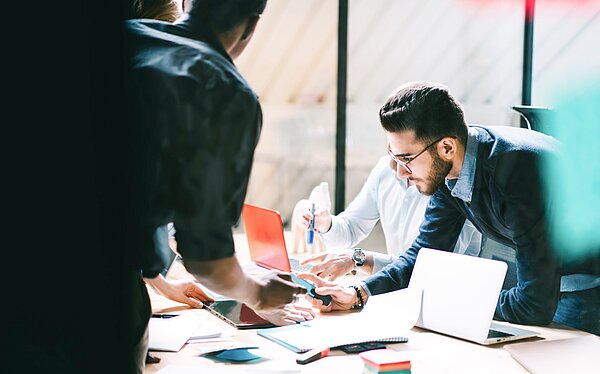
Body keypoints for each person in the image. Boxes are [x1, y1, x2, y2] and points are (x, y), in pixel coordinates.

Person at [298, 81, 600, 335]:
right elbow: (422, 256)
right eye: (392, 156)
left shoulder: (517, 172)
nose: (399, 173)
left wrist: (452, 301)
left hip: (585, 290)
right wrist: (359, 293)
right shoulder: (450, 174)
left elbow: (533, 305)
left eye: (405, 159)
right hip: (550, 288)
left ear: (446, 147)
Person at [124, 1, 313, 372]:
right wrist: (258, 293)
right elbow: (206, 261)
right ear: (252, 25)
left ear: (185, 5)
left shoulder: (126, 37)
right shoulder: (223, 90)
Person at [294, 155, 482, 280]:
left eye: (406, 157)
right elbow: (350, 228)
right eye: (392, 151)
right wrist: (326, 224)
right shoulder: (386, 169)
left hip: (444, 302)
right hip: (396, 293)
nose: (398, 171)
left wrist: (360, 259)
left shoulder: (454, 186)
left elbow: (429, 271)